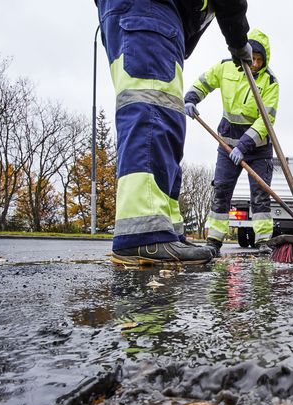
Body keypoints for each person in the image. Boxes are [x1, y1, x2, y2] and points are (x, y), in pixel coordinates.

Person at [95, 0, 252, 266]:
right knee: (153, 112)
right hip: (148, 10)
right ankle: (144, 235)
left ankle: (166, 230)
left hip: (155, 16)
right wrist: (238, 41)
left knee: (167, 120)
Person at [184, 29, 278, 257]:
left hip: (257, 149)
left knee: (260, 196)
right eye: (252, 57)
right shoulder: (225, 67)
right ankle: (214, 241)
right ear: (244, 53)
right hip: (226, 145)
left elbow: (266, 121)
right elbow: (205, 82)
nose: (255, 63)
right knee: (222, 191)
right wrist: (191, 98)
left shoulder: (270, 82)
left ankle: (264, 241)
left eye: (259, 59)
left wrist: (243, 146)